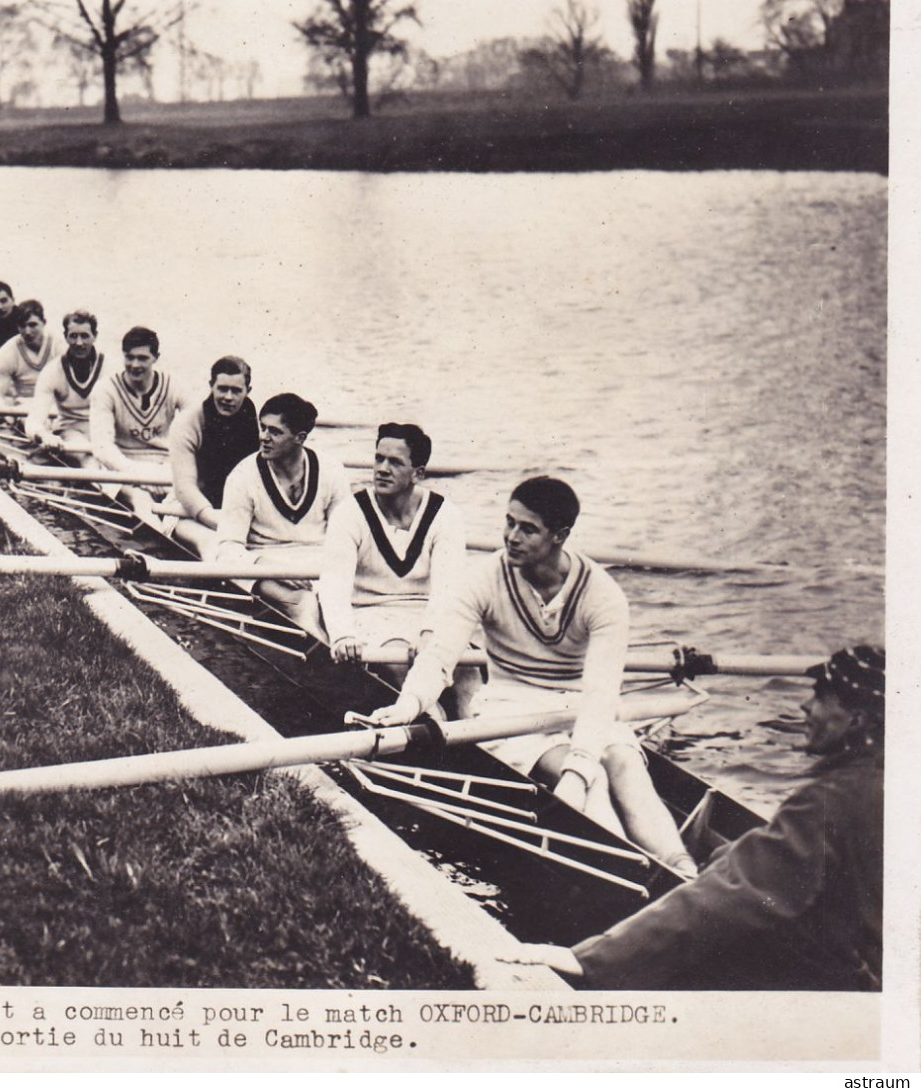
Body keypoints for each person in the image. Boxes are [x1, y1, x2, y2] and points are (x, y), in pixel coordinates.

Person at [366, 476, 697, 876]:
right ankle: (627, 872)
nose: (511, 537)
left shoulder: (603, 596)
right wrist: (409, 704)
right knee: (588, 781)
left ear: (560, 535)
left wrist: (579, 766)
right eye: (509, 523)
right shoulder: (484, 578)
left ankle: (683, 869)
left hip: (582, 704)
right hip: (510, 703)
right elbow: (441, 655)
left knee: (623, 762)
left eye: (528, 529)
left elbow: (600, 694)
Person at [512, 646, 884, 991]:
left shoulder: (828, 800)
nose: (805, 707)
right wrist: (728, 859)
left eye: (819, 696)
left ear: (858, 720)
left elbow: (738, 892)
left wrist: (588, 959)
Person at [316, 422, 466, 686]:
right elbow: (334, 584)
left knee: (468, 673)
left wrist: (431, 633)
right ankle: (432, 719)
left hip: (425, 612)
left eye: (395, 462)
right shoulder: (350, 513)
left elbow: (448, 590)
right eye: (379, 459)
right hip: (370, 612)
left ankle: (470, 722)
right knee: (400, 664)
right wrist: (342, 635)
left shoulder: (445, 515)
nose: (383, 469)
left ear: (417, 473)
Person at [216, 392, 350, 634]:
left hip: (318, 564)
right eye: (262, 427)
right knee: (305, 604)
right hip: (266, 566)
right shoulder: (242, 476)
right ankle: (323, 656)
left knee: (337, 604)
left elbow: (347, 536)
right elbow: (227, 547)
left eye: (274, 432)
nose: (263, 437)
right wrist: (268, 565)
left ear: (300, 438)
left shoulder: (331, 470)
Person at [89, 326, 194, 527]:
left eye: (142, 358)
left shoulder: (174, 385)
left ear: (156, 357)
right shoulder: (106, 389)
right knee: (140, 501)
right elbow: (102, 449)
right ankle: (158, 537)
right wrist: (138, 474)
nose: (135, 365)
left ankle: (178, 534)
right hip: (122, 467)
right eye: (129, 357)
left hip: (165, 466)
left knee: (184, 498)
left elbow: (199, 429)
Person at [166, 355, 260, 558]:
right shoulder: (187, 422)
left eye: (236, 391)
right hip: (189, 510)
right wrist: (221, 523)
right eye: (222, 388)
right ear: (211, 386)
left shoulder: (259, 423)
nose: (228, 397)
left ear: (248, 391)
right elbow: (185, 487)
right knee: (212, 544)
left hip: (238, 512)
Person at [25, 308, 104, 459]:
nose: (79, 343)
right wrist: (44, 436)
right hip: (72, 432)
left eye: (85, 336)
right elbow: (34, 420)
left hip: (104, 430)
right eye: (73, 336)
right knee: (84, 456)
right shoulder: (52, 372)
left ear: (95, 336)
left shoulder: (111, 367)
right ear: (65, 337)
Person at [0, 299, 57, 403]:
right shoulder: (7, 352)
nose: (27, 331)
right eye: (22, 326)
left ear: (43, 323)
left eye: (32, 325)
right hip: (24, 409)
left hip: (55, 408)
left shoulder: (59, 346)